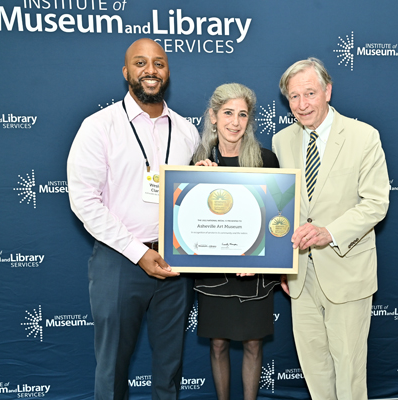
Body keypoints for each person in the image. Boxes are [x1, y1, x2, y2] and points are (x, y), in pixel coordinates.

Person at [67, 38, 200, 400]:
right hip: (119, 260)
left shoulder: (187, 131)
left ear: (167, 71)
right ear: (127, 72)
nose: (150, 70)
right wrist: (136, 251)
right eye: (140, 63)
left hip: (175, 264)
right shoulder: (100, 126)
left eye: (158, 63)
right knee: (112, 370)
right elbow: (83, 200)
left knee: (169, 369)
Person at [272, 58, 390, 400]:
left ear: (328, 90)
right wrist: (281, 259)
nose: (302, 104)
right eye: (294, 96)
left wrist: (329, 232)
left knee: (350, 371)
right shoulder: (282, 141)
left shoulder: (363, 136)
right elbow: (282, 205)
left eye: (310, 93)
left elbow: (375, 203)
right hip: (300, 277)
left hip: (347, 271)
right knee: (315, 368)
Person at [192, 83, 280, 400]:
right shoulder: (197, 164)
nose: (235, 122)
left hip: (254, 275)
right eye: (228, 113)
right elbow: (188, 226)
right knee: (217, 343)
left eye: (242, 114)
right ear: (213, 117)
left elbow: (277, 223)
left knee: (254, 343)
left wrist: (257, 261)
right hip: (214, 274)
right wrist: (194, 185)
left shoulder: (267, 161)